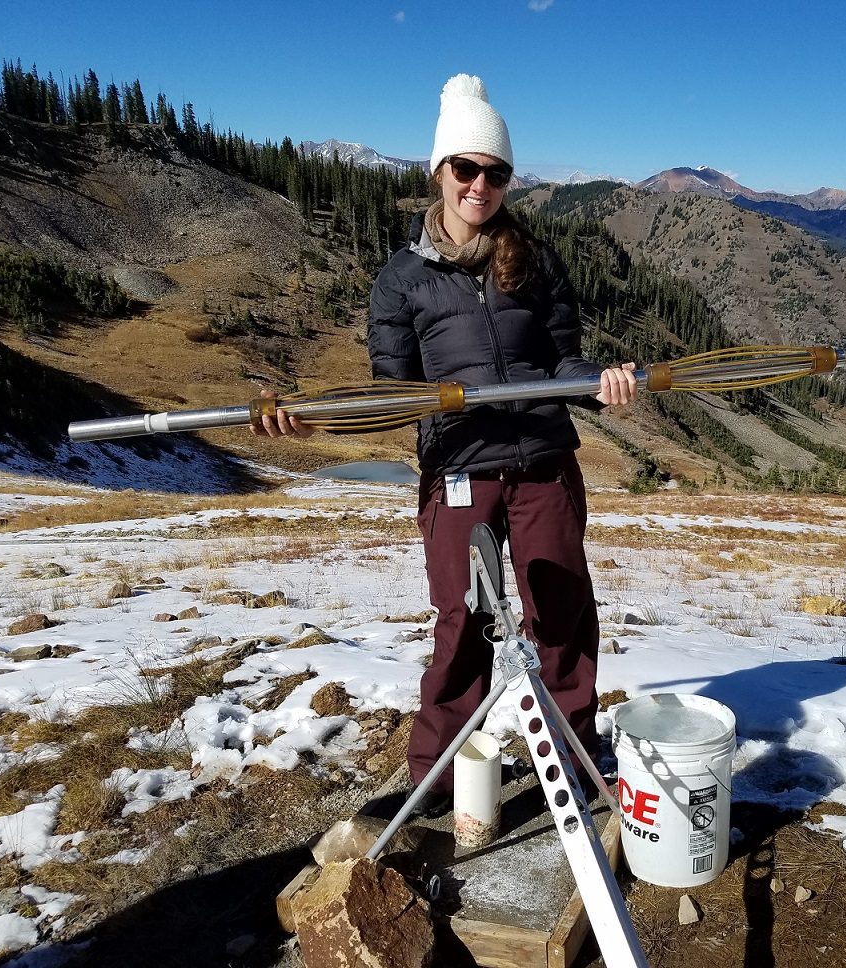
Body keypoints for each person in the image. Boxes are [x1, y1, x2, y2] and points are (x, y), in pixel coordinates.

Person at [254, 73, 637, 816]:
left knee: (561, 612)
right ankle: (434, 777)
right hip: (458, 470)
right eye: (466, 168)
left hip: (542, 463)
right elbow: (388, 389)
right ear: (439, 171)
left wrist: (602, 383)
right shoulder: (400, 281)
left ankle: (573, 753)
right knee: (461, 619)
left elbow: (562, 363)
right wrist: (314, 418)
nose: (480, 185)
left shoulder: (535, 260)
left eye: (495, 173)